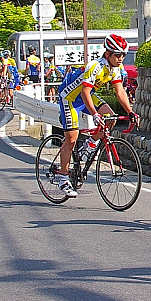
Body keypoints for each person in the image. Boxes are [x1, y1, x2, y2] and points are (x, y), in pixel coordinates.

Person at [55, 34, 136, 197]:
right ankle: (63, 178)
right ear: (108, 54)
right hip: (70, 98)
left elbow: (119, 91)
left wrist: (130, 112)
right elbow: (85, 93)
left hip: (86, 96)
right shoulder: (95, 66)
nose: (121, 59)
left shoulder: (116, 69)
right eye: (118, 55)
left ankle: (90, 145)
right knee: (71, 138)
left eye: (123, 55)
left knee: (110, 118)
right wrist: (94, 114)